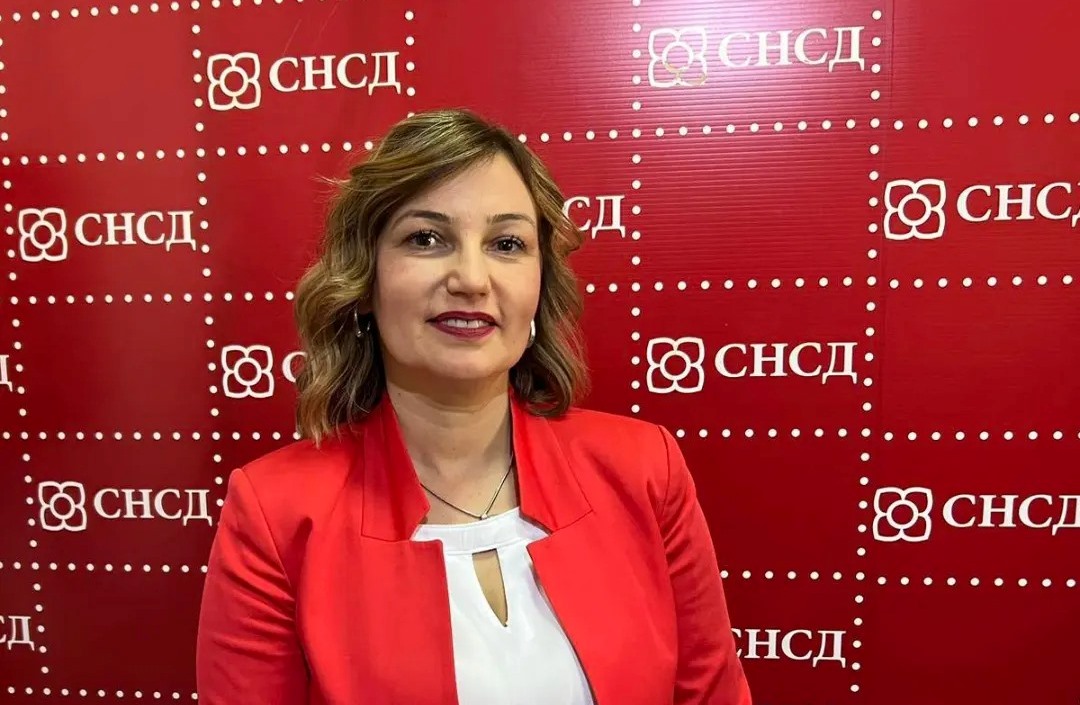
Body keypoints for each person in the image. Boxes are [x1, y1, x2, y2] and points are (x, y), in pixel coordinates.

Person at [195, 107, 752, 705]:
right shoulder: (275, 513)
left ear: (539, 283)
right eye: (425, 238)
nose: (471, 278)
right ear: (364, 281)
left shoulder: (644, 469)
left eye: (506, 243)